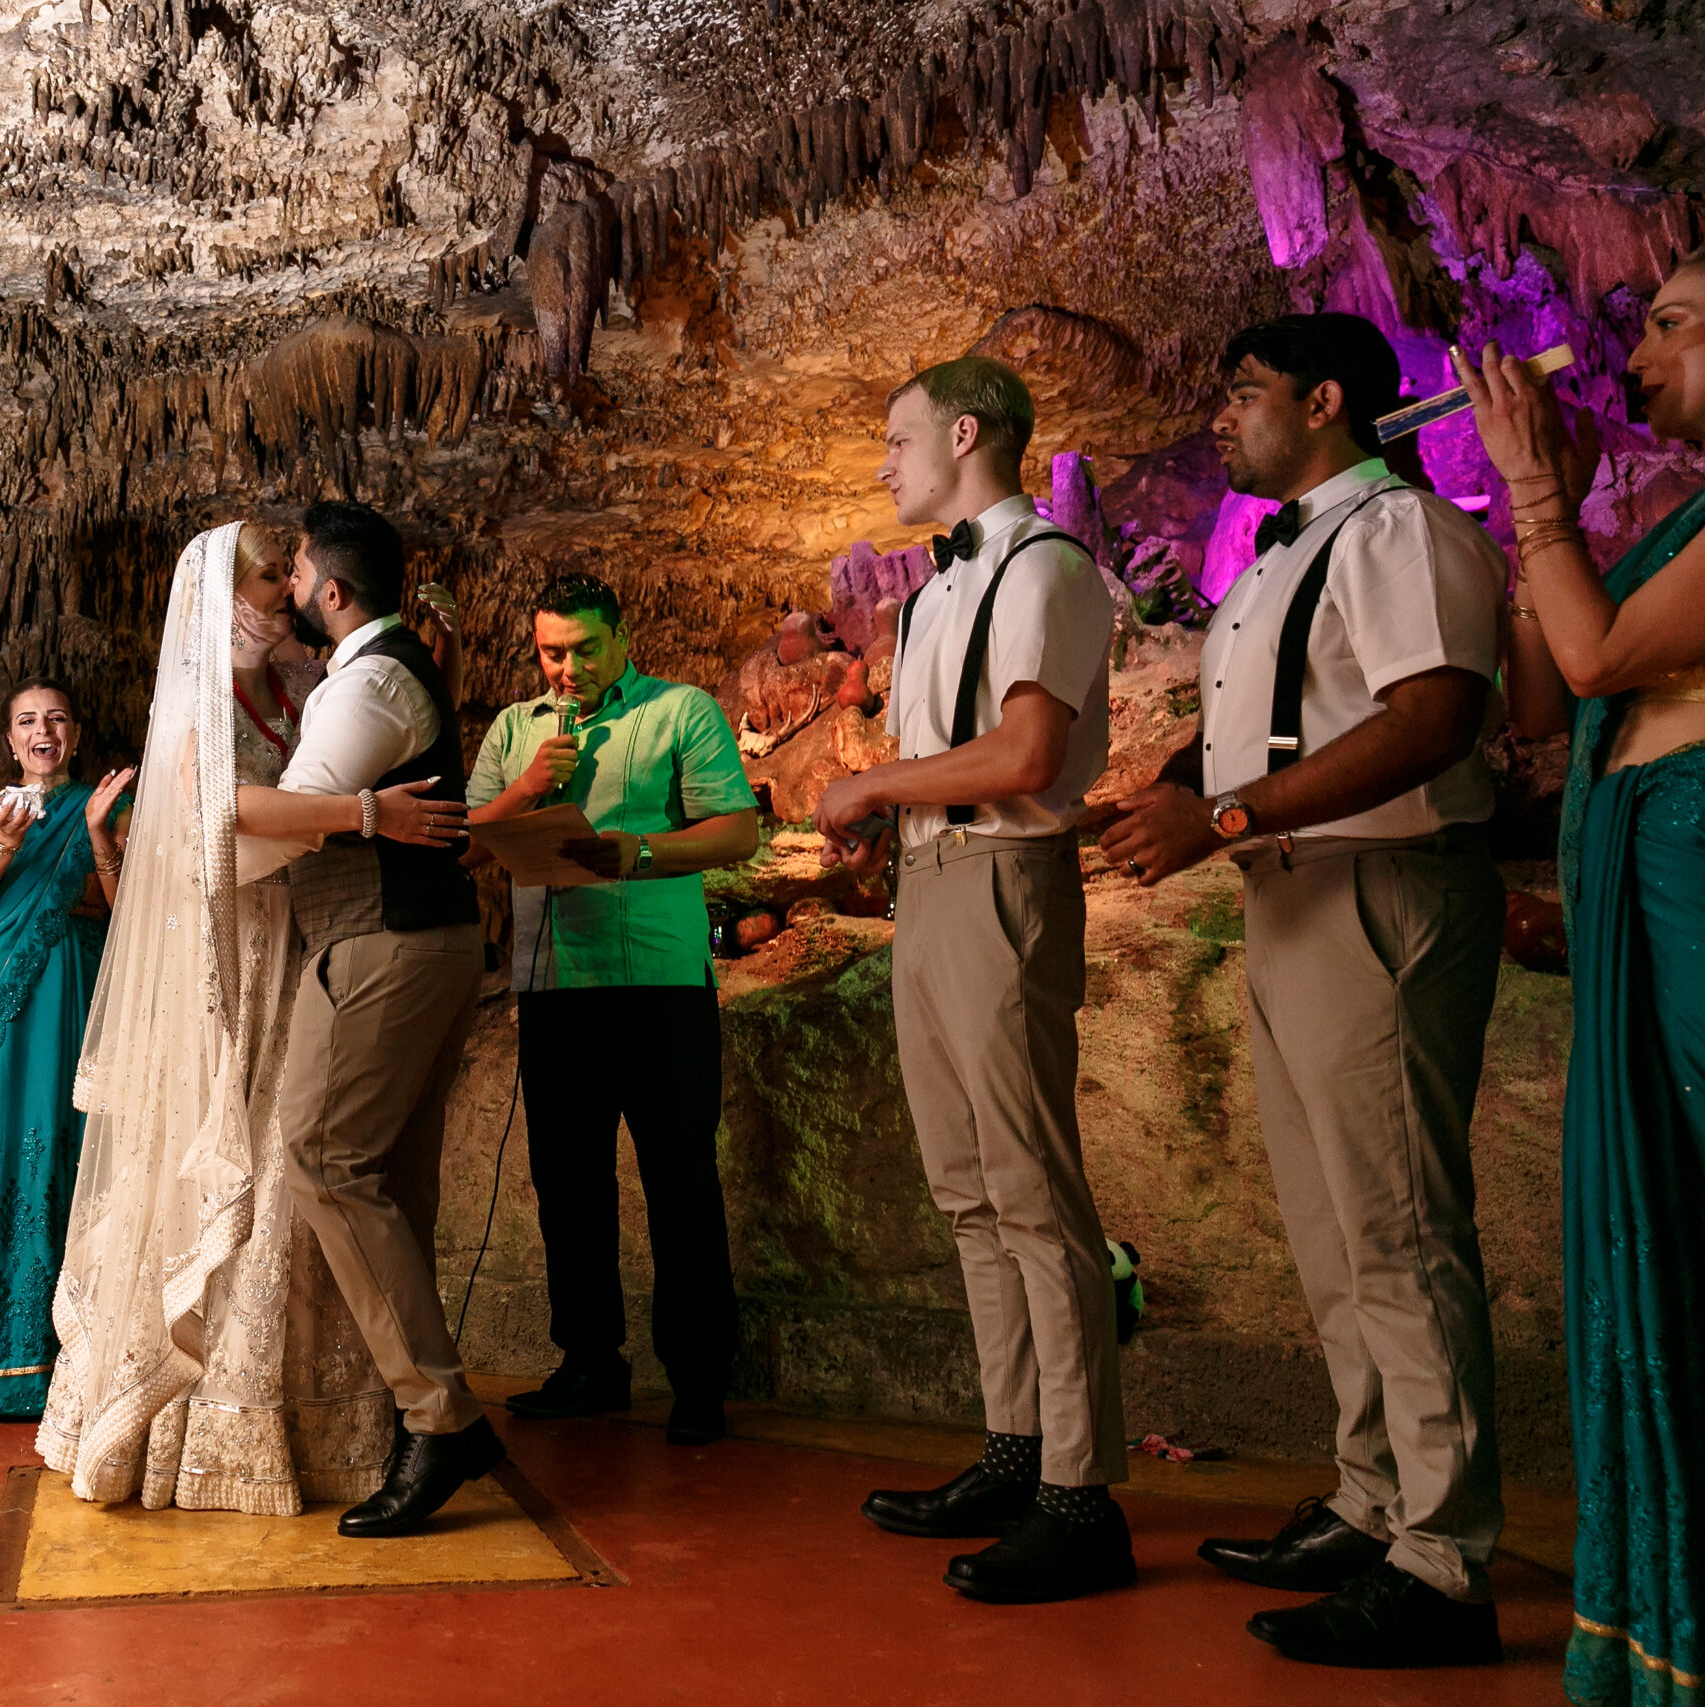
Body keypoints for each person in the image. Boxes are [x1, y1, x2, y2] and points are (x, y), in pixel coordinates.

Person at [1100, 312, 1509, 1667]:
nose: (1222, 414)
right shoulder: (1285, 550)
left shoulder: (1398, 533)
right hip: (1294, 892)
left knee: (1395, 1226)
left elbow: (1429, 717)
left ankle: (1446, 1559)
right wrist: (1170, 786)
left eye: (1246, 389)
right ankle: (1375, 1497)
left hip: (1379, 887)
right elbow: (1271, 716)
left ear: (1325, 400)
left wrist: (1221, 817)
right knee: (1337, 1233)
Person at [39, 520, 451, 1515]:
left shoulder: (312, 691)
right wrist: (365, 820)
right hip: (227, 949)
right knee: (242, 1163)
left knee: (301, 1174)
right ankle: (199, 1413)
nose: (285, 591)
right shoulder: (199, 710)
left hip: (306, 942)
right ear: (221, 601)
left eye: (290, 575)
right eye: (271, 578)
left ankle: (334, 1414)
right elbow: (199, 833)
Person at [812, 356, 1129, 1604]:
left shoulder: (1045, 565)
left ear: (963, 432)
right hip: (932, 884)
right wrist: (887, 818)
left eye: (896, 440)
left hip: (1004, 877)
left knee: (1033, 1186)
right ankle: (1016, 1445)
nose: (885, 465)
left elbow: (1025, 752)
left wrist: (874, 786)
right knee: (967, 1188)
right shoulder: (935, 595)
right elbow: (944, 754)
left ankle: (1080, 1491)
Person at [1461, 252, 1705, 1706]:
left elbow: (1606, 641)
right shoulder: (1680, 520)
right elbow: (1562, 688)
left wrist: (1545, 505)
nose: (1643, 349)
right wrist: (1520, 518)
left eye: (1675, 322)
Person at [244, 498, 497, 1539]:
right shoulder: (374, 673)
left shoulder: (374, 681)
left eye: (296, 570)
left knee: (321, 1158)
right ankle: (419, 1416)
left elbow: (281, 818)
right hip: (407, 938)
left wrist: (230, 804)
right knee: (389, 1179)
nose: (291, 586)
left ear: (331, 591)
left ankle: (441, 1416)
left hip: (383, 940)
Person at [465, 573, 759, 1446]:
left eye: (583, 649)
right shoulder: (517, 729)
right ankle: (590, 1359)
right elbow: (470, 840)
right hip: (553, 984)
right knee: (566, 1182)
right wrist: (523, 790)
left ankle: (701, 1375)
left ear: (622, 638)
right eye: (551, 651)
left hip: (659, 981)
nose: (565, 668)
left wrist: (635, 848)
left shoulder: (681, 711)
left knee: (678, 1177)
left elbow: (737, 831)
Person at [0, 678, 134, 1420]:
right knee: (5, 1154)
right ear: (9, 738)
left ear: (76, 735)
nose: (42, 730)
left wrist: (94, 836)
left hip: (80, 998)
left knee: (75, 1155)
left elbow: (128, 914)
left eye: (56, 719)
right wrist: (3, 844)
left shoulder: (107, 801)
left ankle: (82, 1369)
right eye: (27, 720)